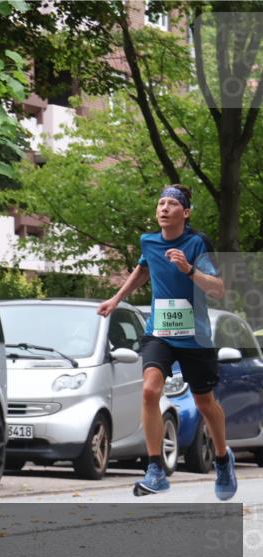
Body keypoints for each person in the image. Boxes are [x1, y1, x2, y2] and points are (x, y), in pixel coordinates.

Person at [97, 184, 236, 500]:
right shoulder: (148, 241)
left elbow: (218, 289)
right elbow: (143, 269)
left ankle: (222, 458)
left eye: (171, 204)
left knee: (204, 403)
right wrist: (116, 299)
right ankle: (156, 468)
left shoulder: (197, 243)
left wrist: (188, 270)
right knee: (149, 391)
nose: (163, 208)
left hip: (195, 337)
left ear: (185, 213)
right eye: (160, 203)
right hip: (159, 331)